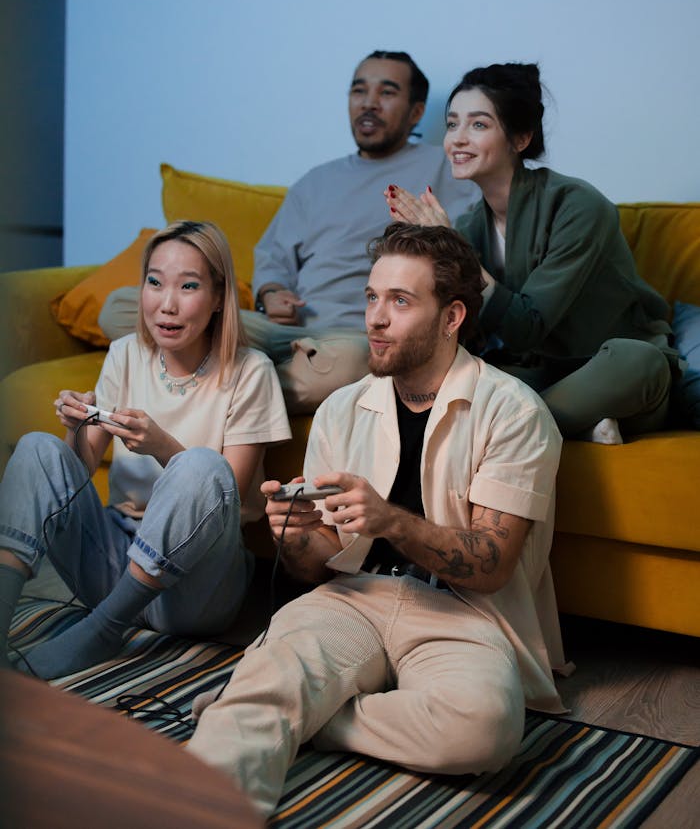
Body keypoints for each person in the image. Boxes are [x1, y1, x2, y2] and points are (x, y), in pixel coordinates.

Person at [186, 223, 568, 818]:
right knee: (276, 673)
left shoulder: (515, 412)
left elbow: (491, 566)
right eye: (371, 297)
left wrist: (392, 521)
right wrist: (294, 534)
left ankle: (311, 718)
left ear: (452, 317)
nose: (375, 318)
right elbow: (317, 565)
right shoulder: (343, 408)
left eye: (400, 301)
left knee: (483, 729)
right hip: (352, 597)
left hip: (463, 613)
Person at [98, 51, 479, 413]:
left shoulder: (445, 169)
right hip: (282, 331)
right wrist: (271, 292)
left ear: (415, 113)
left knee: (349, 365)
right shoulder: (316, 181)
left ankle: (200, 393)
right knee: (119, 307)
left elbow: (467, 258)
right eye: (359, 90)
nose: (369, 103)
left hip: (350, 338)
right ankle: (225, 391)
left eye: (387, 92)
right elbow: (273, 257)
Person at [0, 220, 291, 678]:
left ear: (218, 298)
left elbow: (226, 496)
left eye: (189, 286)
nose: (167, 304)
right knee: (39, 448)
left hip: (197, 589)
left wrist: (162, 447)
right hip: (111, 565)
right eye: (154, 283)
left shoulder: (251, 371)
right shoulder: (126, 354)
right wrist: (76, 428)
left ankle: (104, 630)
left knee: (201, 465)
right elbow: (74, 476)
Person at [386, 62, 674, 443]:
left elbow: (527, 327)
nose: (457, 138)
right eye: (452, 124)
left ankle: (505, 428)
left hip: (605, 369)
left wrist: (455, 252)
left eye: (478, 125)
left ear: (521, 138)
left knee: (639, 360)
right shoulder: (471, 223)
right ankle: (565, 425)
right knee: (445, 373)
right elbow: (469, 335)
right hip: (534, 375)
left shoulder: (578, 205)